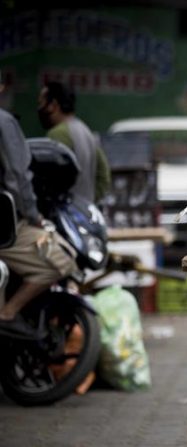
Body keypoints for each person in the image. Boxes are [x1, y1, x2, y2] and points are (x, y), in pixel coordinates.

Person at [0, 77, 79, 338]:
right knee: (59, 261)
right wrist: (33, 216)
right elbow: (18, 176)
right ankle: (8, 312)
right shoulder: (5, 122)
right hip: (7, 227)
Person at [37, 81, 111, 204]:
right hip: (84, 211)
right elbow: (104, 176)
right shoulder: (86, 130)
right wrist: (89, 200)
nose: (39, 109)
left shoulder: (58, 134)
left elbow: (50, 181)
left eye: (41, 103)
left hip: (65, 211)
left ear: (53, 105)